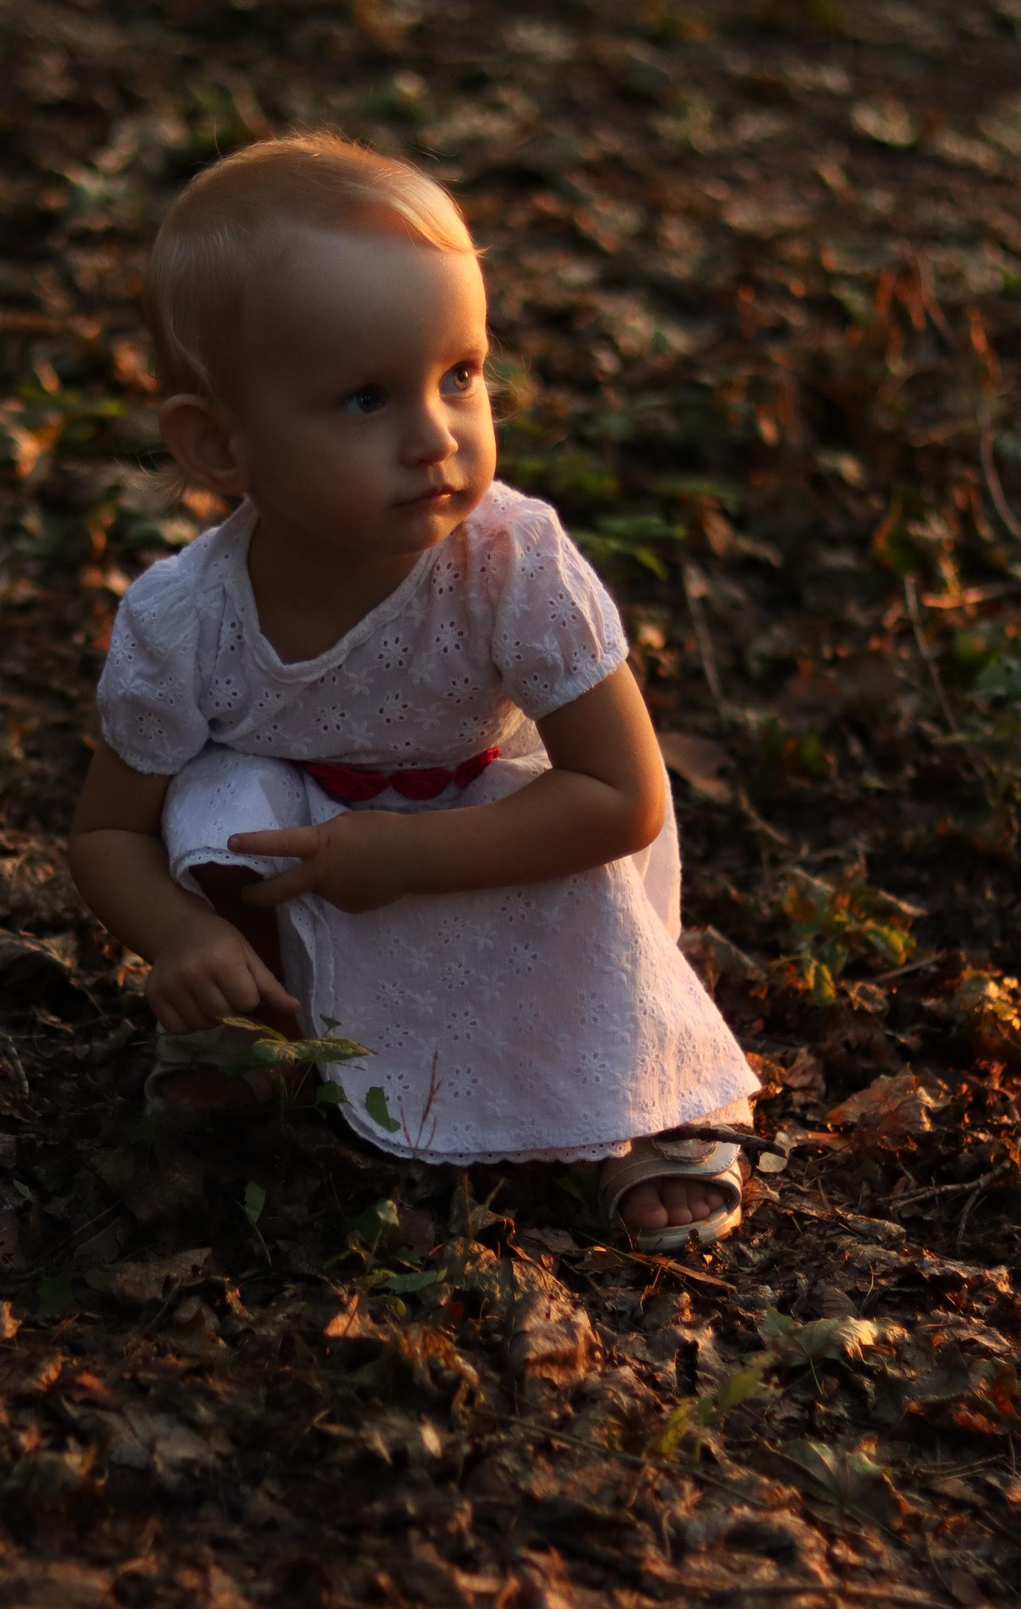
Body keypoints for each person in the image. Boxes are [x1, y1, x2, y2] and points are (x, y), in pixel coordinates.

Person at [64, 133, 760, 1252]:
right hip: (310, 863)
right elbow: (109, 831)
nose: (435, 436)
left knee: (582, 899)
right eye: (364, 399)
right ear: (221, 444)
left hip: (498, 832)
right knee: (218, 802)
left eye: (461, 376)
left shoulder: (511, 565)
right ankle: (252, 1023)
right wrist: (179, 936)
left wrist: (408, 852)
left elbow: (624, 796)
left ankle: (636, 1098)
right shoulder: (187, 616)